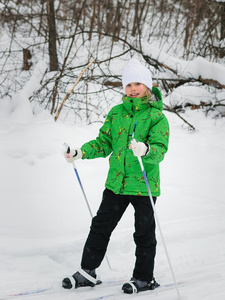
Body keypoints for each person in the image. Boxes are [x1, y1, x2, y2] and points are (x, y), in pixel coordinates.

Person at [62, 58, 169, 294]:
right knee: (100, 226)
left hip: (143, 184)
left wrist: (147, 149)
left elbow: (160, 150)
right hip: (116, 183)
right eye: (128, 84)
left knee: (143, 233)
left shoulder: (156, 117)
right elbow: (104, 142)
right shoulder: (116, 113)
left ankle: (144, 278)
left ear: (147, 86)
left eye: (137, 83)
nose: (133, 88)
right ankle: (87, 272)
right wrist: (82, 152)